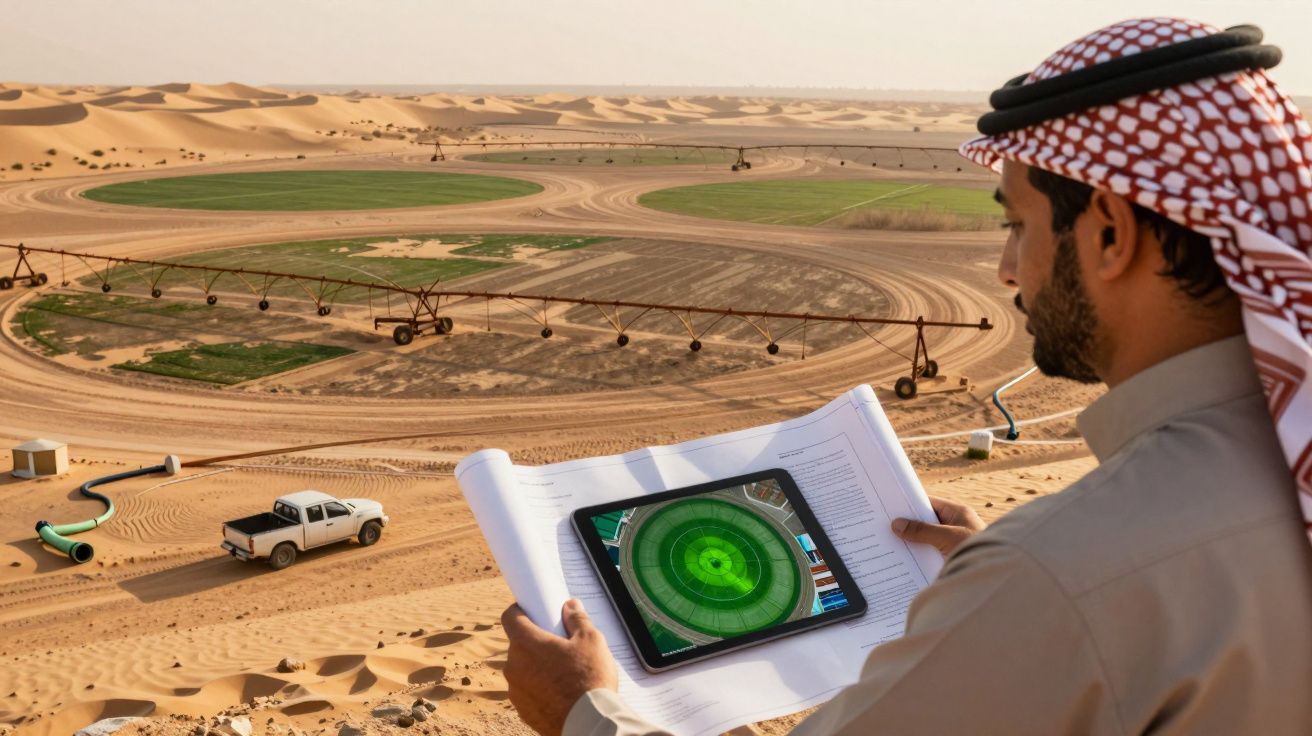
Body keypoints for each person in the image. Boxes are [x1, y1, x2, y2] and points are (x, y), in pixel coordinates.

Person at [500, 17, 1312, 735]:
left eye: (1017, 224)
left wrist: (582, 710)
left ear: (1109, 232)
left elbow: (1100, 590)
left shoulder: (1056, 576)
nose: (1006, 270)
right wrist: (1012, 599)